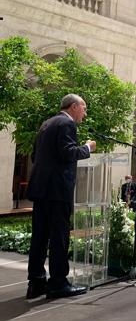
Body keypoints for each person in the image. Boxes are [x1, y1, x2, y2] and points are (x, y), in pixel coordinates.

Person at [26, 94, 95, 299]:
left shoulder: (46, 123)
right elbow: (68, 153)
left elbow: (34, 156)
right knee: (59, 237)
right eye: (83, 108)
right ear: (74, 106)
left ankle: (36, 282)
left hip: (41, 189)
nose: (85, 112)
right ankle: (58, 283)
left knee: (39, 237)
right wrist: (87, 148)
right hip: (57, 191)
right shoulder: (67, 124)